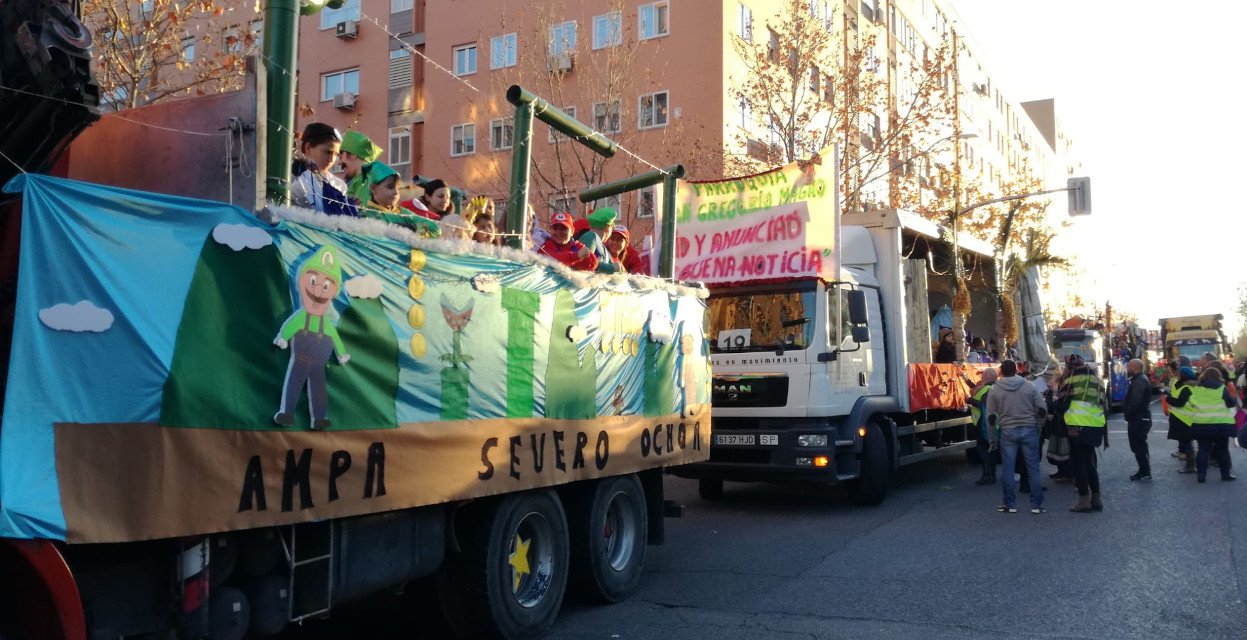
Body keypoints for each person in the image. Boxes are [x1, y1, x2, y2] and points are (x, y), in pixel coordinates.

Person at [985, 359, 1048, 514]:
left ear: (1001, 372)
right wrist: (1039, 426)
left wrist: (992, 440)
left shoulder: (994, 390)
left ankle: (1009, 504)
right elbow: (1042, 409)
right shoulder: (1029, 386)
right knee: (1033, 468)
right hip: (1029, 428)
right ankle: (1036, 505)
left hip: (1008, 431)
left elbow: (991, 418)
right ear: (1017, 370)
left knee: (1008, 469)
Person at [1055, 353, 1108, 513]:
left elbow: (1063, 404)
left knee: (1079, 464)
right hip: (1095, 425)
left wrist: (1052, 403)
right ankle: (1096, 499)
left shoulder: (1070, 379)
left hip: (1076, 426)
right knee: (1089, 462)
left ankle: (1084, 500)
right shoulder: (1096, 381)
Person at [1165, 367, 1236, 482]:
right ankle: (1225, 474)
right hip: (1220, 424)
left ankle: (1201, 475)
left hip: (1201, 424)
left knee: (1203, 449)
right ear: (1219, 377)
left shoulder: (1197, 389)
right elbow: (1231, 403)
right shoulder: (1222, 389)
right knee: (1223, 450)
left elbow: (1190, 402)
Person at [289, 123, 357, 217]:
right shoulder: (291, 175)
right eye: (327, 152)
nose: (331, 160)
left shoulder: (339, 185)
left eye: (336, 155)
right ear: (308, 148)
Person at [358, 162, 440, 239]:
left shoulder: (401, 212)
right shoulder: (368, 215)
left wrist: (411, 228)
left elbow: (435, 228)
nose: (396, 192)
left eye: (398, 188)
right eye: (390, 187)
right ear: (373, 188)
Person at [1123, 358, 1153, 481]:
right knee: (1139, 446)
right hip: (1141, 418)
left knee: (1138, 446)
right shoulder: (1140, 379)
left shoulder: (1139, 381)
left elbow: (1135, 401)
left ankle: (1145, 472)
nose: (1127, 369)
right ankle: (1144, 471)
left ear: (1133, 368)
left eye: (1128, 367)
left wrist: (1128, 413)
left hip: (1139, 418)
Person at [1166, 365, 1198, 473]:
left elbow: (1179, 403)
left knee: (1187, 443)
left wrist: (1168, 398)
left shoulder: (1186, 388)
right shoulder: (1187, 386)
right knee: (1186, 443)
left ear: (1184, 375)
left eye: (1180, 373)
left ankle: (1190, 467)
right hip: (1184, 418)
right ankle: (1191, 466)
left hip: (1184, 419)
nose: (1178, 375)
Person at [338, 130, 383, 206]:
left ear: (353, 155)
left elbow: (362, 213)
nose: (339, 163)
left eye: (341, 156)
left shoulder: (366, 180)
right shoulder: (361, 179)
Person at [969, 368, 998, 485]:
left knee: (985, 451)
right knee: (988, 450)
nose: (982, 377)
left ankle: (989, 475)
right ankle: (990, 474)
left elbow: (984, 404)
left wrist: (970, 400)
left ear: (988, 376)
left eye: (984, 374)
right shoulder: (990, 387)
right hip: (986, 424)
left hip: (984, 425)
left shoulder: (988, 389)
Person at [576, 207, 621, 274]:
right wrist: (611, 268)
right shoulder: (591, 237)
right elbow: (587, 263)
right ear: (607, 228)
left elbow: (613, 266)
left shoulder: (602, 247)